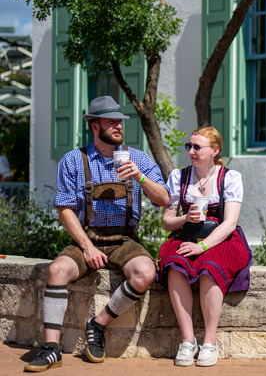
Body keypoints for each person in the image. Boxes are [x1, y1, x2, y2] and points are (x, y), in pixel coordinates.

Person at [24, 96, 169, 372]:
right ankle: (52, 349)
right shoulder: (72, 161)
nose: (119, 126)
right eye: (111, 122)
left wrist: (140, 177)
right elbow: (65, 209)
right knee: (56, 270)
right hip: (86, 236)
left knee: (145, 272)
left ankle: (97, 324)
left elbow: (164, 198)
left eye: (120, 121)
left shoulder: (138, 158)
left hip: (125, 238)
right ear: (94, 126)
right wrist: (86, 246)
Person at [157, 127, 250, 367]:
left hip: (220, 237)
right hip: (187, 234)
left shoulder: (229, 177)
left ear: (215, 151)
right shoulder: (179, 177)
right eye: (189, 146)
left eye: (197, 147)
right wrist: (185, 218)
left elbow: (230, 223)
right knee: (175, 265)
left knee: (210, 267)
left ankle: (210, 342)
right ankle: (188, 341)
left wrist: (203, 246)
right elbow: (167, 222)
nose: (191, 151)